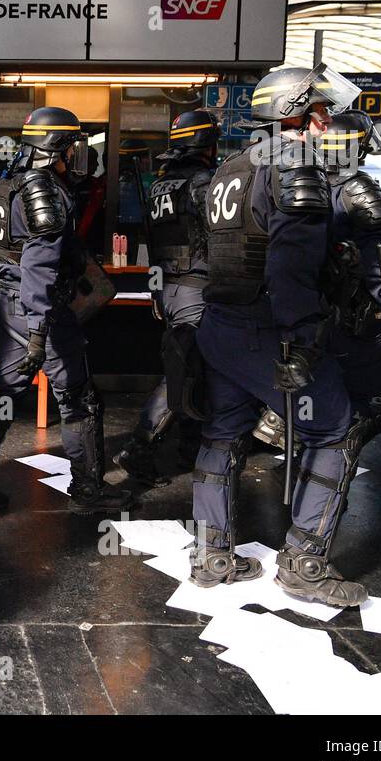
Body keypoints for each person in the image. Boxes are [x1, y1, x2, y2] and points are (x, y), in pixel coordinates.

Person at [189, 64, 371, 607]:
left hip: (220, 323)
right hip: (269, 329)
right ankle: (304, 562)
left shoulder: (231, 166)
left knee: (223, 435)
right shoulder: (296, 169)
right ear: (299, 113)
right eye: (320, 112)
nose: (326, 123)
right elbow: (290, 267)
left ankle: (211, 555)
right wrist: (305, 340)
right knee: (336, 428)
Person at [0, 106, 135, 516]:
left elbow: (3, 252)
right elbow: (38, 266)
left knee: (4, 393)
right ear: (57, 147)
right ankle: (88, 487)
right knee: (78, 396)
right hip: (41, 311)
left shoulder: (10, 183)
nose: (77, 155)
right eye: (72, 146)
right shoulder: (43, 192)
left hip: (12, 304)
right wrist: (38, 330)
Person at [250, 110, 381, 460]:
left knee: (311, 380)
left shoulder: (294, 176)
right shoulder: (357, 187)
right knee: (377, 402)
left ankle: (284, 428)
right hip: (349, 315)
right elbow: (379, 263)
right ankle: (327, 459)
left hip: (299, 307)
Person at [114, 110, 219, 484]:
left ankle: (191, 447)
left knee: (194, 369)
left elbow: (153, 241)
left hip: (170, 285)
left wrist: (157, 291)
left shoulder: (161, 184)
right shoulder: (205, 183)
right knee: (184, 370)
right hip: (197, 286)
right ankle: (140, 446)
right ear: (207, 145)